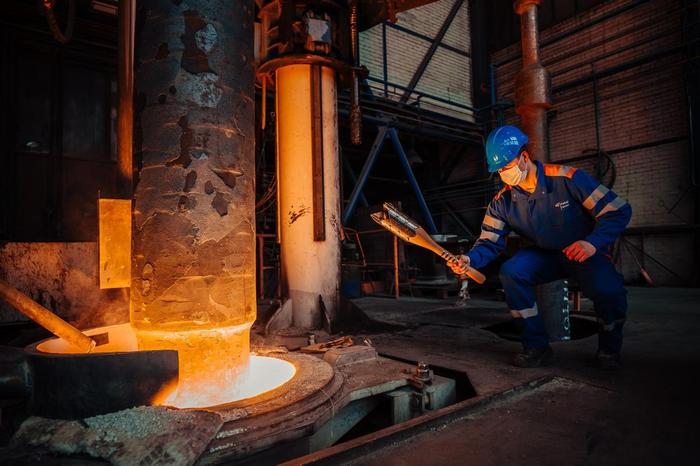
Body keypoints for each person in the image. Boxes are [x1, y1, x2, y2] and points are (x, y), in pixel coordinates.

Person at [449, 125, 631, 369]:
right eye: (499, 171)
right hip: (544, 255)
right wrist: (470, 260)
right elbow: (489, 241)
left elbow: (618, 211)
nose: (504, 175)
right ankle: (536, 347)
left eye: (506, 167)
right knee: (512, 271)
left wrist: (593, 243)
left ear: (524, 157)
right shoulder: (502, 202)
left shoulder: (567, 178)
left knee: (610, 291)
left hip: (582, 251)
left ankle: (609, 350)